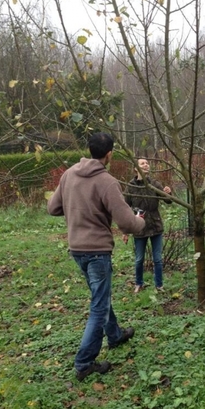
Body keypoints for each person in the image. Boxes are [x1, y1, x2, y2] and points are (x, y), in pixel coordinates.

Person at [47, 133, 146, 381]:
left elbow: (53, 208)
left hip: (77, 250)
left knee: (99, 296)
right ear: (109, 154)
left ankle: (114, 336)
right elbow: (126, 223)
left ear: (88, 149)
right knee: (99, 307)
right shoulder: (107, 182)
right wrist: (140, 223)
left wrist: (77, 210)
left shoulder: (69, 174)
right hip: (97, 252)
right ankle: (84, 363)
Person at [123, 158, 172, 293]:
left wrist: (168, 193)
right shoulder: (131, 187)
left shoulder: (154, 184)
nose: (146, 165)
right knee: (139, 259)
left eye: (147, 163)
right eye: (142, 163)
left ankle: (159, 285)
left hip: (155, 226)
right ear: (135, 168)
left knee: (157, 259)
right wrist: (126, 231)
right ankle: (139, 283)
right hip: (139, 228)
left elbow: (167, 201)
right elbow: (125, 208)